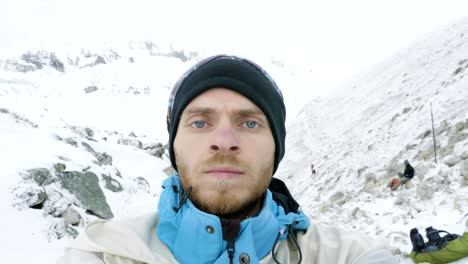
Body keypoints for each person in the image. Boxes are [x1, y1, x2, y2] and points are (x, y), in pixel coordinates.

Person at [58, 55, 399, 263]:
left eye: (249, 123)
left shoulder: (347, 256)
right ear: (174, 146)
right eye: (200, 122)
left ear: (276, 148)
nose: (224, 142)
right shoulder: (104, 254)